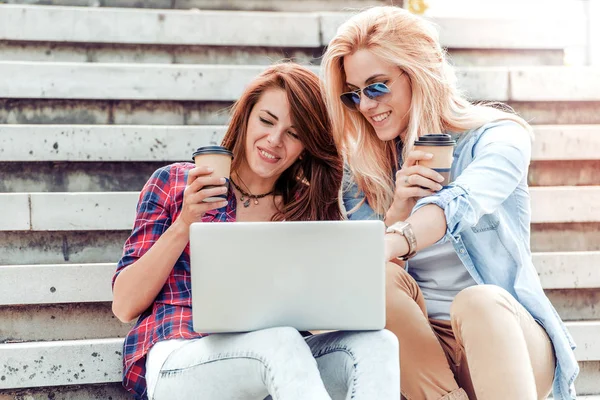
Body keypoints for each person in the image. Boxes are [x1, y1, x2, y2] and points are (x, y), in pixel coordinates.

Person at [321, 6, 578, 400]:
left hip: (506, 336)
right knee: (377, 278)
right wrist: (396, 214)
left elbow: (462, 202)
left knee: (479, 302)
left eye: (377, 86)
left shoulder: (498, 138)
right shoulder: (365, 173)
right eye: (353, 94)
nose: (367, 105)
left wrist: (399, 237)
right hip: (424, 356)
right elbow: (364, 291)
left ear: (420, 72)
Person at [111, 62, 400, 400]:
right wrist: (185, 224)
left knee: (378, 342)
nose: (274, 141)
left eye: (294, 133)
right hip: (181, 357)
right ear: (246, 117)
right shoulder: (176, 183)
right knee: (279, 340)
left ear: (307, 145)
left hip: (282, 364)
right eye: (266, 121)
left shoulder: (306, 208)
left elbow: (329, 315)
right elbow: (125, 305)